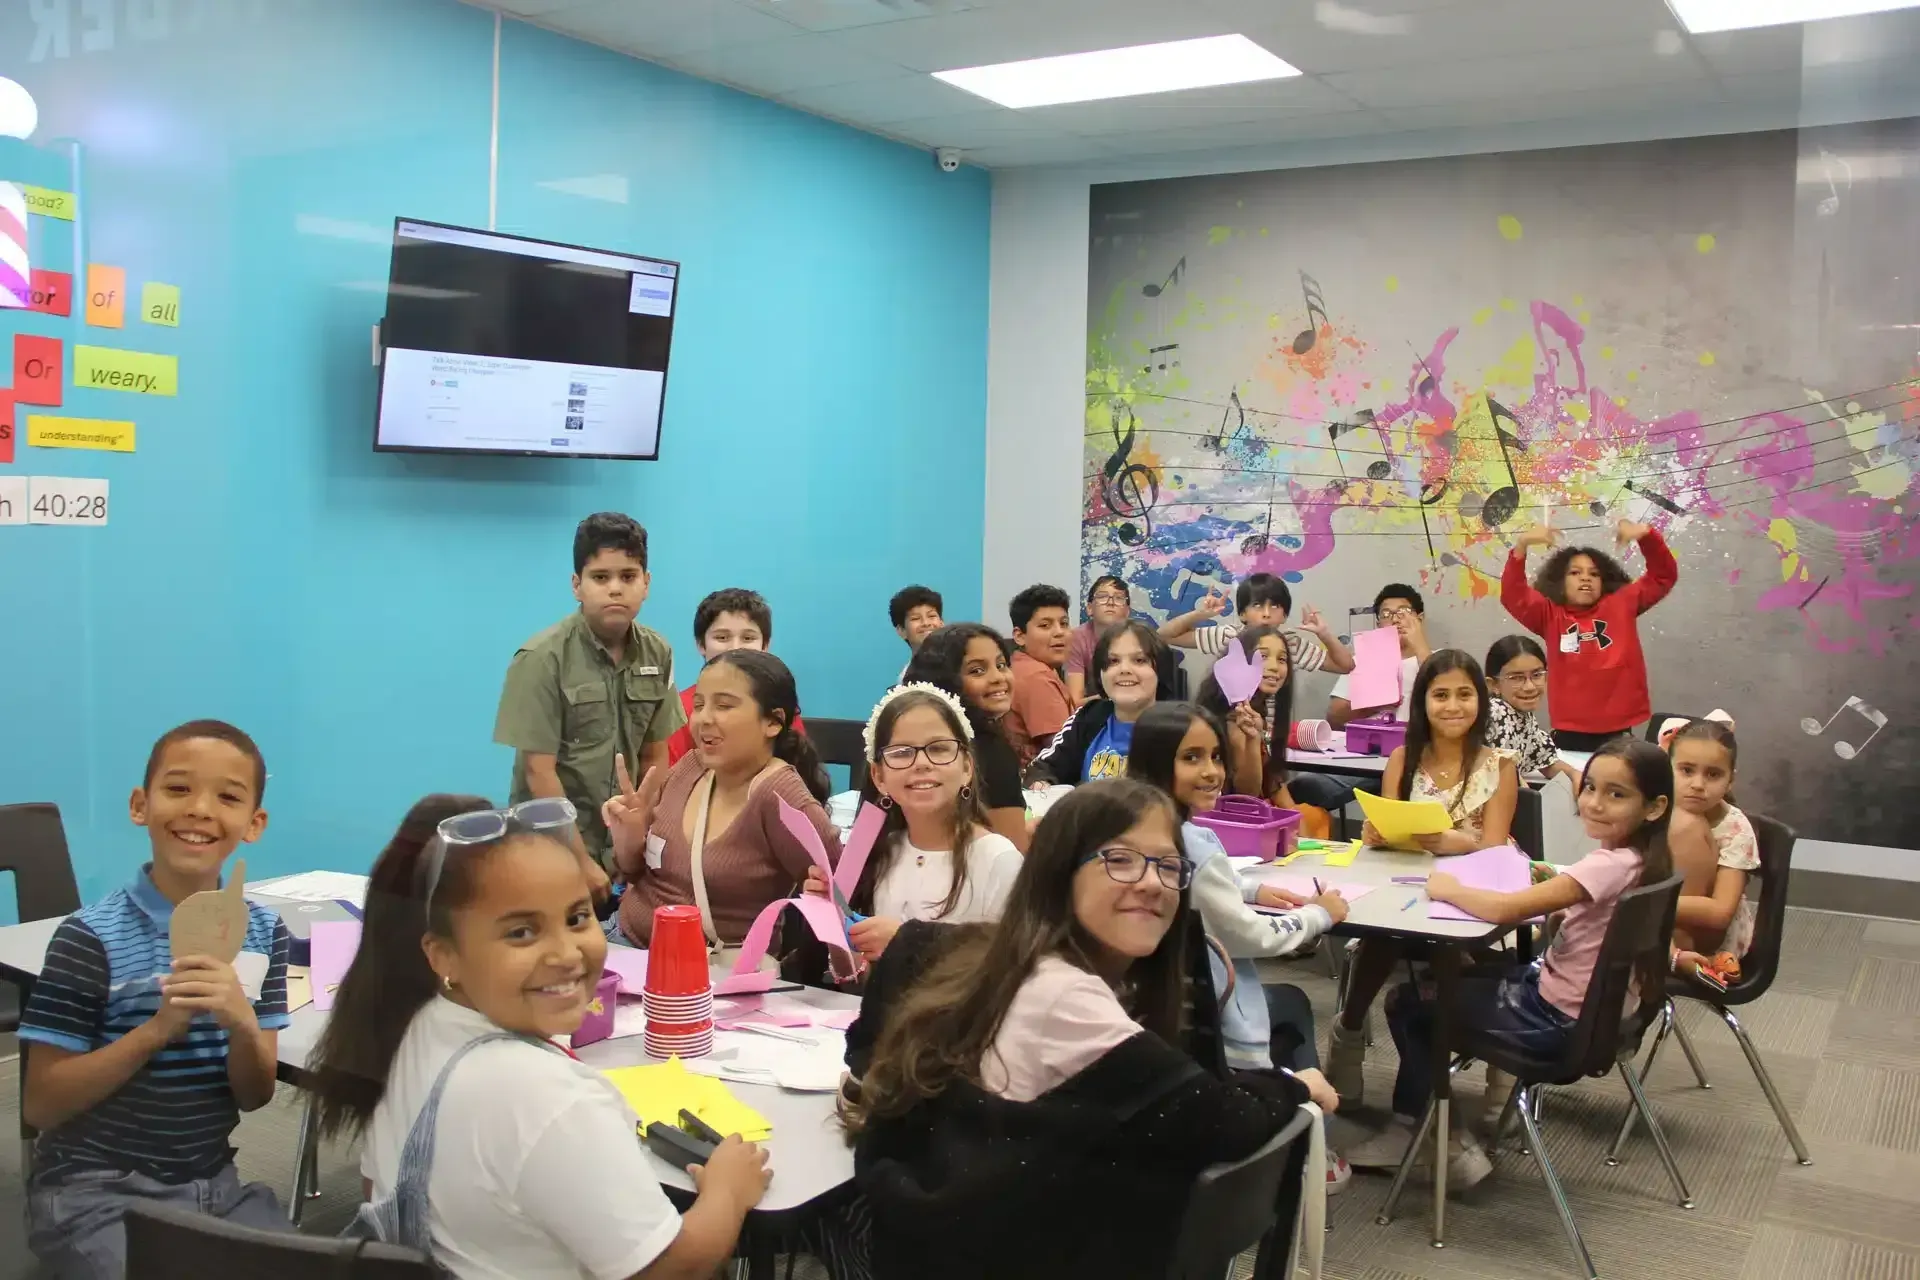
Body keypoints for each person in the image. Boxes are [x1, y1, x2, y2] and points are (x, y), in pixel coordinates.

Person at [838, 780, 1316, 1280]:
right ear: (1059, 874)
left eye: (1168, 865)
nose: (1152, 882)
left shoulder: (1008, 958)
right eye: (1121, 860)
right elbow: (1227, 1122)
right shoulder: (1064, 998)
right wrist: (1296, 1083)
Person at [307, 795, 770, 1277]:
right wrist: (727, 1192)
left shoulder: (415, 1028)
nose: (566, 953)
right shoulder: (549, 1098)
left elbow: (373, 1189)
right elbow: (667, 1269)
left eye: (576, 918)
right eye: (522, 933)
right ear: (443, 955)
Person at [21, 720, 291, 1279]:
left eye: (228, 796)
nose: (199, 809)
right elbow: (40, 1105)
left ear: (253, 823)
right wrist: (156, 1031)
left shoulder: (264, 935)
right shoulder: (89, 938)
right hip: (93, 1191)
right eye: (178, 789)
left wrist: (242, 1024)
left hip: (212, 1187)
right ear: (140, 806)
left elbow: (255, 1095)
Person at [1348, 739, 1677, 1187]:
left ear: (1655, 807)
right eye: (1591, 787)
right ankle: (1446, 1118)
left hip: (1555, 1023)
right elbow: (1577, 908)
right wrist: (1558, 889)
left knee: (1409, 1002)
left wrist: (1448, 889)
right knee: (1454, 978)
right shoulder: (1644, 862)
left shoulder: (1607, 866)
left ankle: (1426, 1135)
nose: (1595, 803)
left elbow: (1505, 911)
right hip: (1596, 1016)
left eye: (1616, 794)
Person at [1126, 703, 1352, 1193]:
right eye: (1191, 758)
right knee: (1292, 1002)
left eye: (1215, 756)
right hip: (1206, 1015)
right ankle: (1312, 1143)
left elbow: (1206, 889)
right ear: (1154, 761)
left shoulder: (1137, 825)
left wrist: (1249, 889)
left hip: (1151, 1012)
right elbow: (1252, 938)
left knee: (1289, 1002)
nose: (1211, 772)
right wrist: (1320, 915)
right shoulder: (1191, 843)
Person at [1327, 651, 1520, 1106]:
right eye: (1440, 695)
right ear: (1422, 702)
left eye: (1464, 695)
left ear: (1482, 700)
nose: (1452, 706)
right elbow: (1391, 828)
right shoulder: (1402, 759)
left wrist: (1461, 843)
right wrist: (1375, 832)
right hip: (1409, 884)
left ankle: (1475, 1079)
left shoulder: (1500, 765)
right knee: (1380, 936)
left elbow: (1494, 847)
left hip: (1477, 886)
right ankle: (1349, 1034)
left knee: (1450, 953)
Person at [494, 512, 683, 901]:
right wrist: (579, 861)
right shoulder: (541, 658)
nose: (616, 588)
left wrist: (636, 842)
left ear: (646, 584)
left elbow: (655, 757)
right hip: (549, 853)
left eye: (628, 577)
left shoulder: (658, 651)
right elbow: (538, 771)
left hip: (625, 854)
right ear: (577, 585)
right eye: (601, 577)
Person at [604, 649, 841, 947]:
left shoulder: (780, 796)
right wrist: (630, 838)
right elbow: (636, 872)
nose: (703, 718)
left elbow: (841, 892)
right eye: (699, 704)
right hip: (623, 940)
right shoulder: (689, 768)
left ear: (774, 722)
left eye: (724, 705)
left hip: (710, 979)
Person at [805, 686, 1023, 964]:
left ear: (967, 767)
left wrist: (908, 943)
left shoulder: (998, 860)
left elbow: (1008, 970)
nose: (921, 763)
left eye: (939, 748)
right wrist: (834, 920)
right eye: (901, 752)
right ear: (878, 776)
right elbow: (857, 978)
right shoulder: (881, 854)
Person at [1502, 518, 1678, 749]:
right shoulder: (1549, 615)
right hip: (1569, 731)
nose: (1585, 578)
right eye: (1575, 573)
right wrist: (1522, 544)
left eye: (1594, 574)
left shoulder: (1622, 603)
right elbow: (1513, 594)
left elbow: (1662, 576)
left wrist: (1646, 536)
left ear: (1604, 581)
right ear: (1559, 581)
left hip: (1619, 729)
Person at [903, 622, 1030, 850]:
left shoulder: (897, 743)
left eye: (1001, 665)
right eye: (976, 670)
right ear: (944, 681)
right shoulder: (990, 753)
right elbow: (1013, 855)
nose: (998, 677)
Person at [665, 588, 804, 766]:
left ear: (765, 645)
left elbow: (798, 771)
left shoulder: (779, 703)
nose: (735, 648)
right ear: (701, 644)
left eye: (748, 638)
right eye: (722, 637)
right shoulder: (678, 710)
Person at [1665, 718, 1758, 973]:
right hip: (1657, 919)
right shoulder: (1656, 806)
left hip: (1711, 939)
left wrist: (1645, 906)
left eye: (1713, 774)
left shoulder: (1736, 829)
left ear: (1730, 780)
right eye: (1686, 770)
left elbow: (1719, 913)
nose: (1697, 784)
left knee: (1686, 824)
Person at [1026, 620, 1165, 785]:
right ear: (1100, 673)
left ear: (1160, 669)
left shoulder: (1179, 726)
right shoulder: (1088, 717)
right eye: (1113, 661)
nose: (1124, 669)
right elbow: (1042, 768)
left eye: (1140, 660)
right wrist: (1041, 783)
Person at [1194, 625, 1299, 806]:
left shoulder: (1256, 713)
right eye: (1263, 657)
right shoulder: (1235, 721)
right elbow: (1247, 794)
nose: (1274, 667)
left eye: (1282, 659)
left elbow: (1274, 785)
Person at [1327, 583, 1430, 729]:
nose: (1395, 620)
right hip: (1369, 747)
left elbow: (1447, 697)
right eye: (1386, 614)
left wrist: (1420, 647)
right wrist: (1373, 706)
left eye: (1403, 612)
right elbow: (1334, 719)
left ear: (1419, 618)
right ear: (1378, 624)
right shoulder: (1359, 661)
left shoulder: (1440, 659)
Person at [1483, 635, 1582, 785]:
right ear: (1494, 685)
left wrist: (1576, 776)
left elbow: (1545, 760)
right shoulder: (1496, 713)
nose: (1529, 687)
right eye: (1516, 678)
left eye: (1536, 675)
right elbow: (1504, 782)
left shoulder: (1521, 715)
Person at [1002, 583, 1075, 763]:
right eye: (1045, 625)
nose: (1059, 632)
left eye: (1064, 623)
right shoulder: (1036, 676)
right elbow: (1062, 751)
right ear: (1020, 636)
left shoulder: (1024, 665)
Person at [888, 585, 944, 679]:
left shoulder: (961, 664)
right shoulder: (907, 678)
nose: (926, 623)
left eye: (931, 616)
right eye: (916, 618)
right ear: (902, 631)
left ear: (942, 623)